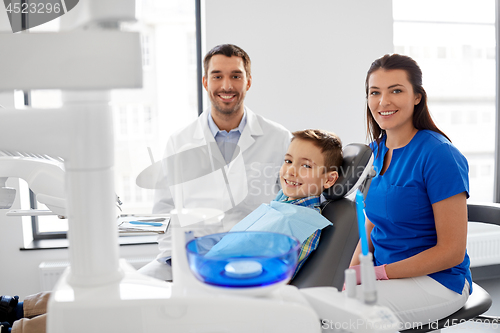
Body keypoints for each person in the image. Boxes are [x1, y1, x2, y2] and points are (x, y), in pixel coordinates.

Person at [139, 44, 292, 281]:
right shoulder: (179, 141)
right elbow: (164, 210)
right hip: (191, 260)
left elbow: (290, 206)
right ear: (205, 82)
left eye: (236, 76)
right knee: (131, 292)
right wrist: (177, 260)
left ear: (248, 82)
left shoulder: (279, 138)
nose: (227, 86)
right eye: (217, 76)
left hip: (254, 260)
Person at [348, 54, 472, 327]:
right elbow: (372, 221)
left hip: (438, 280)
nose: (383, 102)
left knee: (350, 319)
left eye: (396, 90)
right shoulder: (376, 151)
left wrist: (379, 273)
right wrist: (354, 269)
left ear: (417, 96)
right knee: (321, 305)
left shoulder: (439, 155)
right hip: (386, 274)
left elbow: (451, 251)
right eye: (374, 92)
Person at [209, 129, 342, 278]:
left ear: (329, 179)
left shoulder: (301, 223)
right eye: (288, 161)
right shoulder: (282, 205)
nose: (291, 171)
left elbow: (272, 278)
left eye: (306, 166)